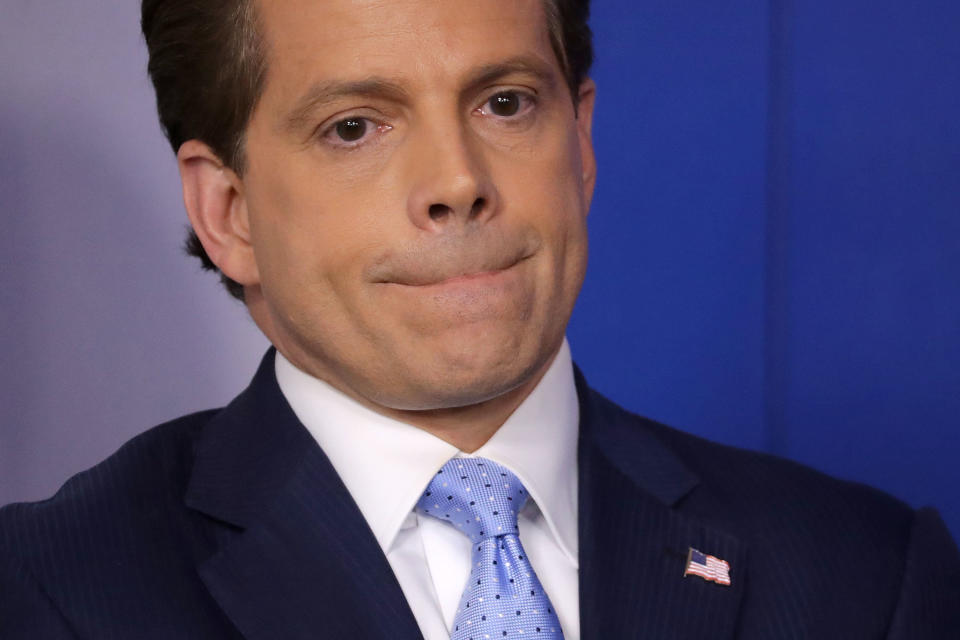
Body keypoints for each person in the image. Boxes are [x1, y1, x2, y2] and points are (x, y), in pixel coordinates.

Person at [1, 0, 958, 637]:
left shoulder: (869, 578)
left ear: (580, 144)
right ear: (230, 213)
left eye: (505, 103)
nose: (458, 181)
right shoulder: (49, 593)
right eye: (355, 127)